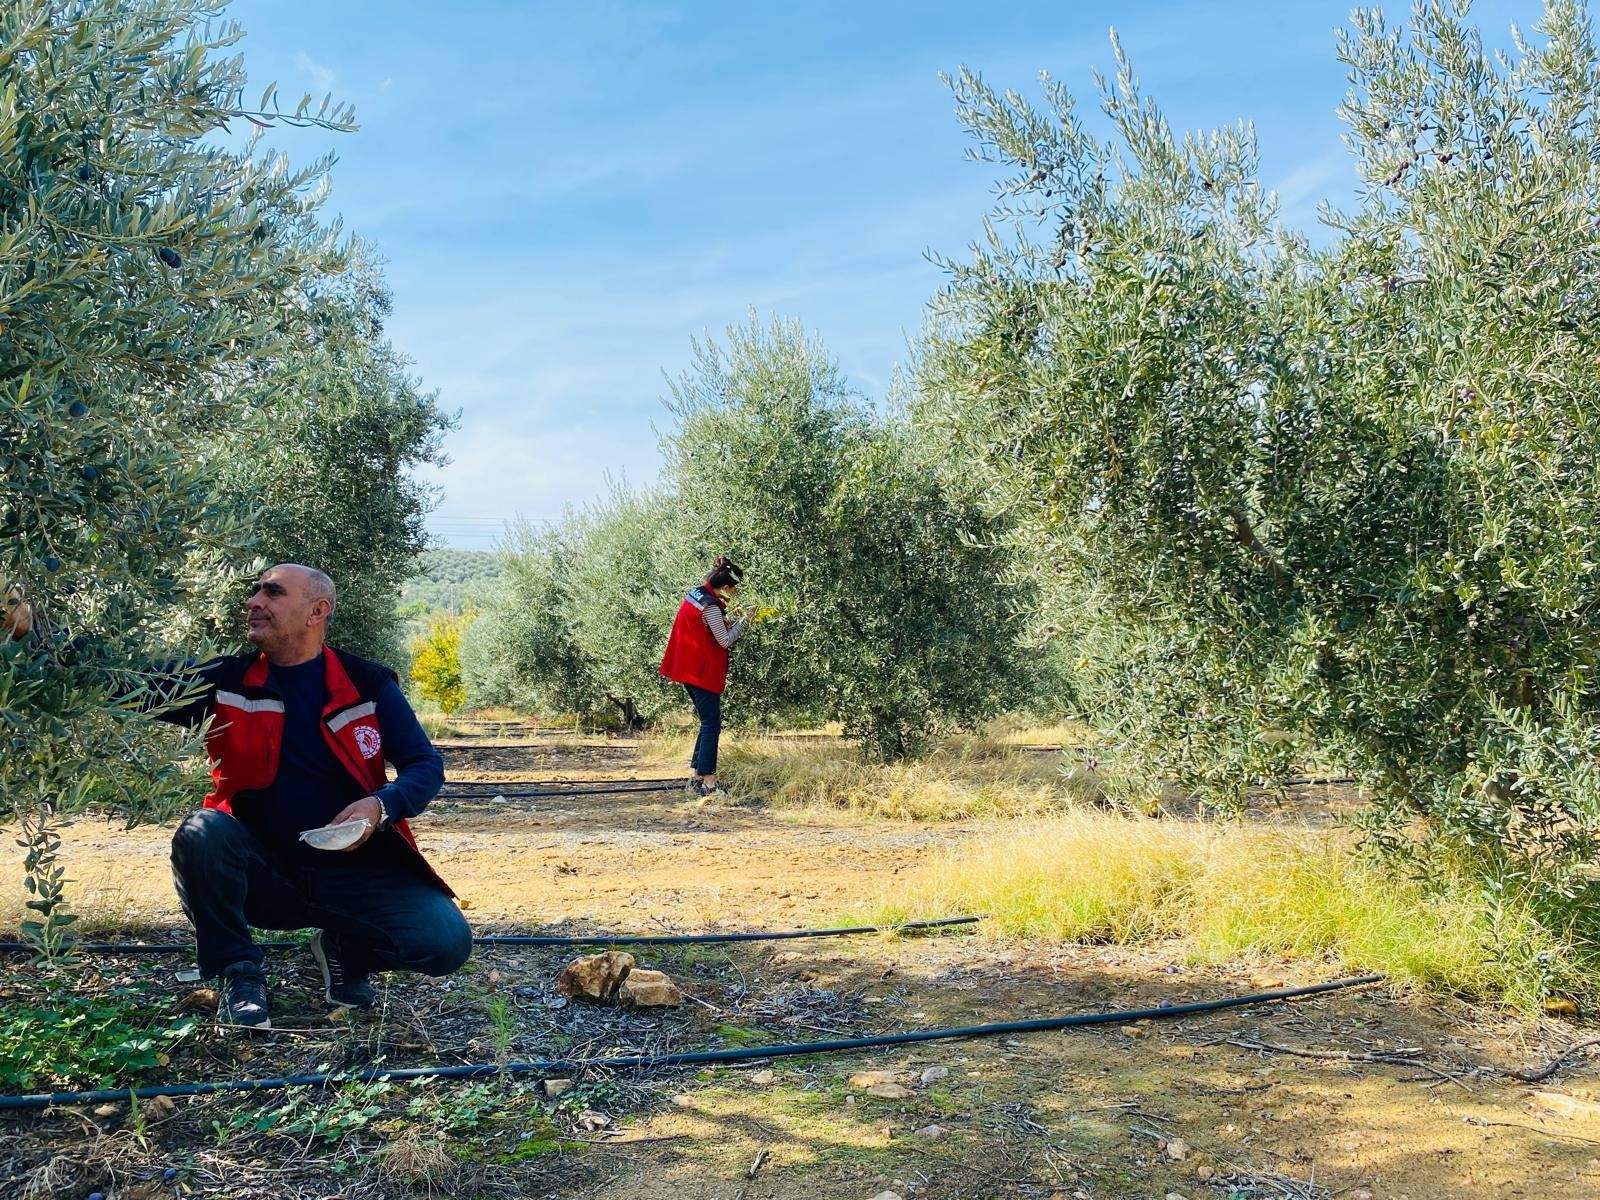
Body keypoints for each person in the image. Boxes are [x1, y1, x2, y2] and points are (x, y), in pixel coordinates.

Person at [160, 564, 470, 1029]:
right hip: (261, 875)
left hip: (356, 871)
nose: (253, 602)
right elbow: (128, 682)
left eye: (272, 593)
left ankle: (345, 949)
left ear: (316, 611)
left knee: (445, 943)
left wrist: (380, 805)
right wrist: (51, 644)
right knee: (201, 832)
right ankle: (238, 973)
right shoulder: (227, 681)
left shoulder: (366, 684)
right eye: (255, 592)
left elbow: (425, 765)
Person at [658, 555, 748, 796]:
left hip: (687, 669)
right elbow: (724, 640)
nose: (736, 593)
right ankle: (709, 783)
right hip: (702, 672)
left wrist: (730, 616)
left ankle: (697, 777)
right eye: (735, 589)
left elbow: (712, 624)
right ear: (726, 587)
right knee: (711, 724)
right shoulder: (710, 606)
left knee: (707, 722)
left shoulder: (697, 595)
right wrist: (745, 621)